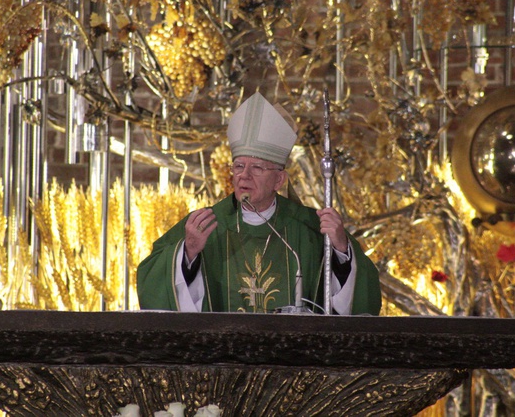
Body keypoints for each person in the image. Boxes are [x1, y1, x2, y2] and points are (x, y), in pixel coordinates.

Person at [137, 92, 381, 315]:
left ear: (279, 180)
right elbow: (152, 285)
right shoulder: (204, 224)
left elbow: (363, 298)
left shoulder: (308, 227)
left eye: (257, 167)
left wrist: (340, 249)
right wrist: (188, 252)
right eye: (239, 166)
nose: (244, 175)